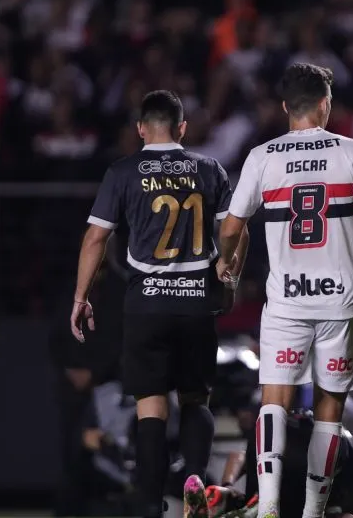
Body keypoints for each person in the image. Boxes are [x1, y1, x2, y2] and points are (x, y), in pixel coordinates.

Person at [216, 63, 353, 518]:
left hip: (287, 301)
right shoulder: (350, 151)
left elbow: (232, 227)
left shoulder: (262, 156)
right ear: (324, 104)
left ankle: (270, 505)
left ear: (284, 108)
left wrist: (226, 263)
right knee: (329, 413)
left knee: (274, 405)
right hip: (339, 302)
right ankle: (314, 510)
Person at [71, 90, 245, 518]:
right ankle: (196, 481)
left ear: (141, 130)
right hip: (196, 303)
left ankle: (149, 501)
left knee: (151, 406)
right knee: (195, 400)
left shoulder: (123, 172)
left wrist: (81, 296)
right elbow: (236, 230)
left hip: (146, 303)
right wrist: (229, 274)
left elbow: (96, 237)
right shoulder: (209, 169)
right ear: (183, 128)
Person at [205, 409, 353, 518]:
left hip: (267, 439)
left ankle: (228, 500)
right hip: (308, 451)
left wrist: (227, 484)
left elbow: (237, 456)